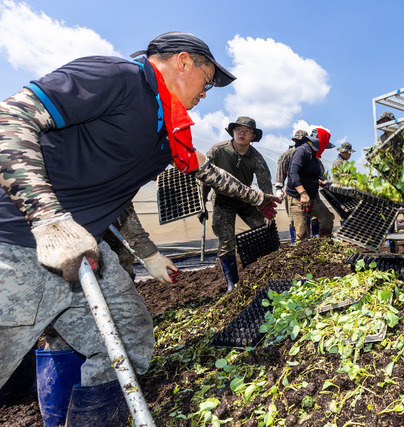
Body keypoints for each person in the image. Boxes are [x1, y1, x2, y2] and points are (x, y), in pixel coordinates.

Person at [0, 31, 279, 425]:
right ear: (183, 61)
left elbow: (209, 174)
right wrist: (49, 219)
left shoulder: (168, 132)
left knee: (129, 338)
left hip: (84, 252)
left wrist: (258, 200)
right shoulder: (117, 77)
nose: (208, 91)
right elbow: (10, 118)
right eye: (209, 78)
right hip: (15, 243)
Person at [201, 116, 273, 292]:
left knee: (263, 229)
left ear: (252, 136)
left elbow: (265, 183)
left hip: (246, 198)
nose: (242, 133)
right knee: (226, 241)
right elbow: (203, 176)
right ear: (232, 131)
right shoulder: (218, 151)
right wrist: (201, 203)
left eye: (247, 131)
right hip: (223, 200)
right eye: (238, 129)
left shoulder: (256, 157)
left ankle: (264, 270)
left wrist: (267, 207)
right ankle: (232, 284)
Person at [285, 128, 336, 241]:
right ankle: (301, 254)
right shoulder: (301, 151)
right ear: (320, 142)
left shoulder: (314, 156)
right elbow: (294, 173)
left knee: (327, 218)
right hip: (297, 197)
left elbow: (311, 173)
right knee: (302, 232)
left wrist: (320, 180)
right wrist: (302, 193)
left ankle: (325, 245)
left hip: (312, 197)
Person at [275, 130, 308, 243]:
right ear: (294, 140)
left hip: (305, 192)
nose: (300, 142)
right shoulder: (288, 154)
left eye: (303, 140)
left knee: (306, 218)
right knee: (294, 219)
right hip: (292, 193)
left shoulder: (307, 153)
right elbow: (281, 171)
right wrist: (279, 188)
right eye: (298, 140)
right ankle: (295, 242)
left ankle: (309, 242)